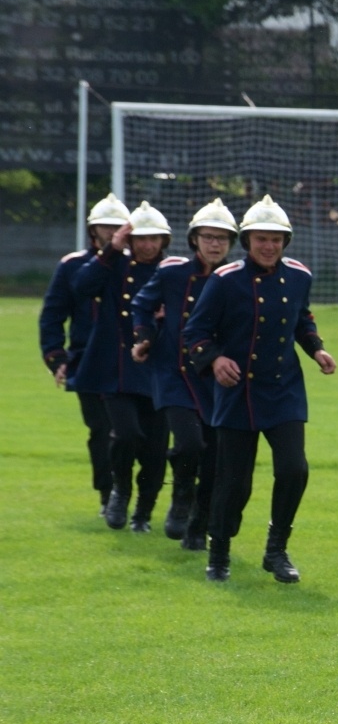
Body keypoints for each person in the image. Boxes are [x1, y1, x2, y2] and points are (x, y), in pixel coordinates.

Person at [183, 195, 337, 582]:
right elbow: (195, 332)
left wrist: (317, 350)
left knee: (294, 469)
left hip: (284, 388)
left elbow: (302, 320)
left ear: (286, 242)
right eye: (260, 239)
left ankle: (277, 550)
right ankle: (219, 552)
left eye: (276, 239)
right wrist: (215, 359)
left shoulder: (300, 275)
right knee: (234, 482)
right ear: (247, 241)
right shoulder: (224, 280)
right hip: (237, 394)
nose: (269, 246)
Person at [131, 199, 236, 548]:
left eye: (223, 238)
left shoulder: (236, 278)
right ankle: (180, 498)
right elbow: (142, 304)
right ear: (194, 239)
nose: (215, 244)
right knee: (190, 443)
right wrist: (145, 337)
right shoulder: (172, 272)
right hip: (172, 374)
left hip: (216, 379)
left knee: (215, 458)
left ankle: (198, 527)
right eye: (208, 236)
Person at [73, 201, 174, 531]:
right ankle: (119, 492)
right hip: (116, 370)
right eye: (140, 239)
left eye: (153, 239)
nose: (146, 245)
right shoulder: (113, 266)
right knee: (125, 434)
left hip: (160, 371)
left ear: (164, 241)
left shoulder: (174, 271)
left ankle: (144, 510)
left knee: (156, 449)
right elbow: (81, 287)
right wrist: (110, 251)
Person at [39, 193, 127, 517]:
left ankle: (134, 493)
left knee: (136, 432)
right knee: (101, 430)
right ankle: (108, 494)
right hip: (88, 362)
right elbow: (52, 315)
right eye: (107, 227)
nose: (113, 233)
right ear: (94, 230)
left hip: (131, 363)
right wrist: (56, 358)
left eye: (119, 227)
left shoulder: (138, 266)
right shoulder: (72, 265)